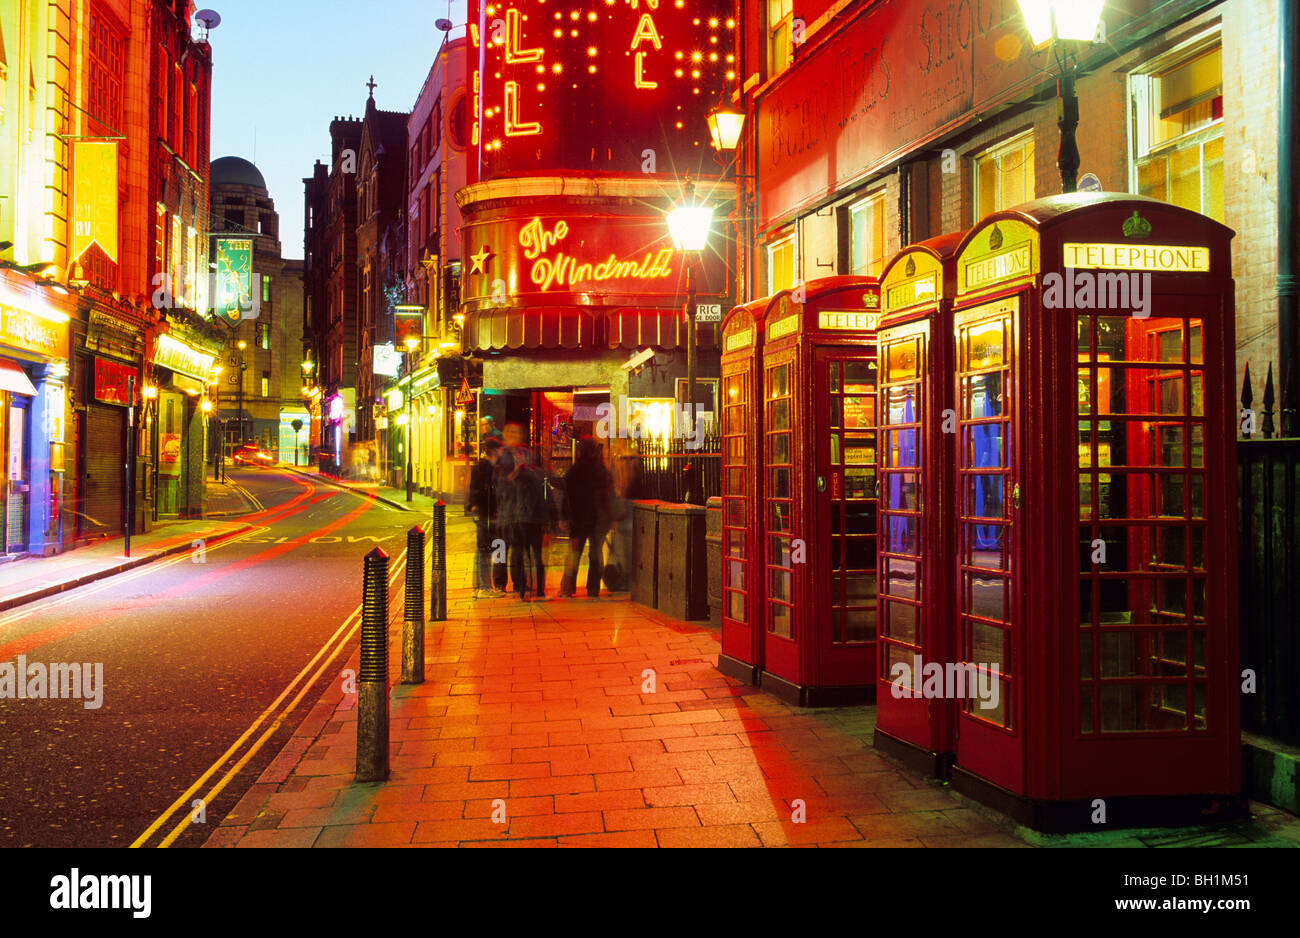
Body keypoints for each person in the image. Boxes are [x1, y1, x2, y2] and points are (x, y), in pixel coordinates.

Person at [561, 437, 614, 598]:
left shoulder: (574, 471)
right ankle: (593, 588)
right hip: (598, 519)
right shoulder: (601, 470)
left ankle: (568, 588)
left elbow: (567, 495)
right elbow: (608, 495)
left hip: (578, 519)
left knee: (574, 553)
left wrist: (564, 516)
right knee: (596, 553)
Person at [467, 438, 503, 599]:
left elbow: (472, 490)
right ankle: (485, 587)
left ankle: (481, 586)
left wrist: (472, 506)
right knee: (487, 550)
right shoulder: (487, 468)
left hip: (483, 512)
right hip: (488, 513)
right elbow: (486, 491)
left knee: (483, 549)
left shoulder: (482, 467)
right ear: (494, 451)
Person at [510, 456, 550, 601]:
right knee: (538, 557)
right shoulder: (536, 480)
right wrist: (545, 522)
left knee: (522, 556)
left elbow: (512, 502)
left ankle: (522, 589)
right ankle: (539, 590)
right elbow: (541, 501)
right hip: (535, 522)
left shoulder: (515, 481)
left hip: (520, 522)